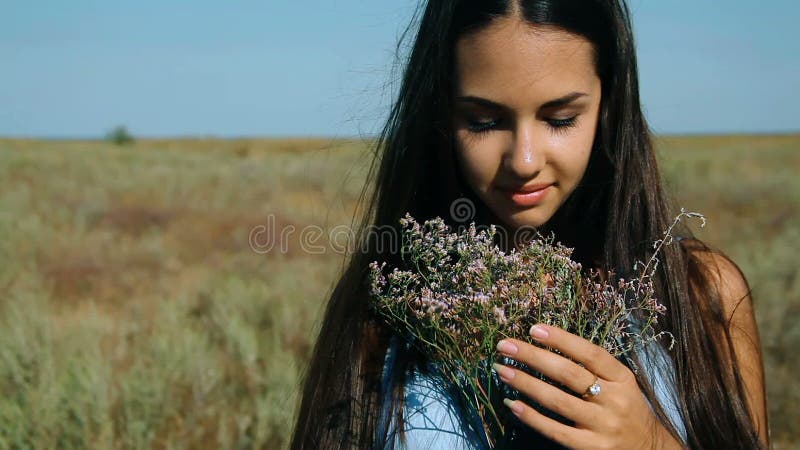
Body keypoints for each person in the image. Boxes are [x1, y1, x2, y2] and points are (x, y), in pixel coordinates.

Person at [290, 1, 769, 449]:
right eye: (483, 121)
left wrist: (652, 442)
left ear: (609, 104)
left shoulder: (701, 293)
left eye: (560, 118)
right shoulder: (385, 308)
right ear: (440, 113)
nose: (523, 161)